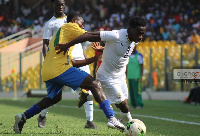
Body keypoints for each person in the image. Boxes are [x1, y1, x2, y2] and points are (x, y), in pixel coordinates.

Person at [13, 12, 125, 134]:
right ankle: (111, 118)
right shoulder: (70, 26)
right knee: (95, 84)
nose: (82, 27)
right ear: (73, 21)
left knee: (54, 98)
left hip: (48, 70)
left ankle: (23, 117)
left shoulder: (61, 36)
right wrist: (113, 41)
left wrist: (94, 59)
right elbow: (89, 36)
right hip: (59, 69)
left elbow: (73, 62)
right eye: (81, 24)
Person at [56, 16, 147, 124]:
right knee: (124, 106)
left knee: (122, 104)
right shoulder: (116, 35)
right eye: (139, 33)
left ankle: (89, 96)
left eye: (143, 34)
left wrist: (105, 49)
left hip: (120, 76)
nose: (141, 37)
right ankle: (128, 125)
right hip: (107, 75)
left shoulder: (134, 39)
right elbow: (89, 35)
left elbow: (122, 51)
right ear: (131, 28)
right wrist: (67, 45)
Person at [40, 0, 97, 129]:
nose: (60, 6)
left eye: (62, 4)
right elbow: (45, 42)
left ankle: (89, 121)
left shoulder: (73, 19)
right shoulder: (50, 23)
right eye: (58, 4)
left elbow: (83, 34)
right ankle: (43, 114)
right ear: (52, 5)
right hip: (62, 61)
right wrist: (46, 59)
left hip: (79, 57)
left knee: (90, 86)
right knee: (55, 94)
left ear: (65, 6)